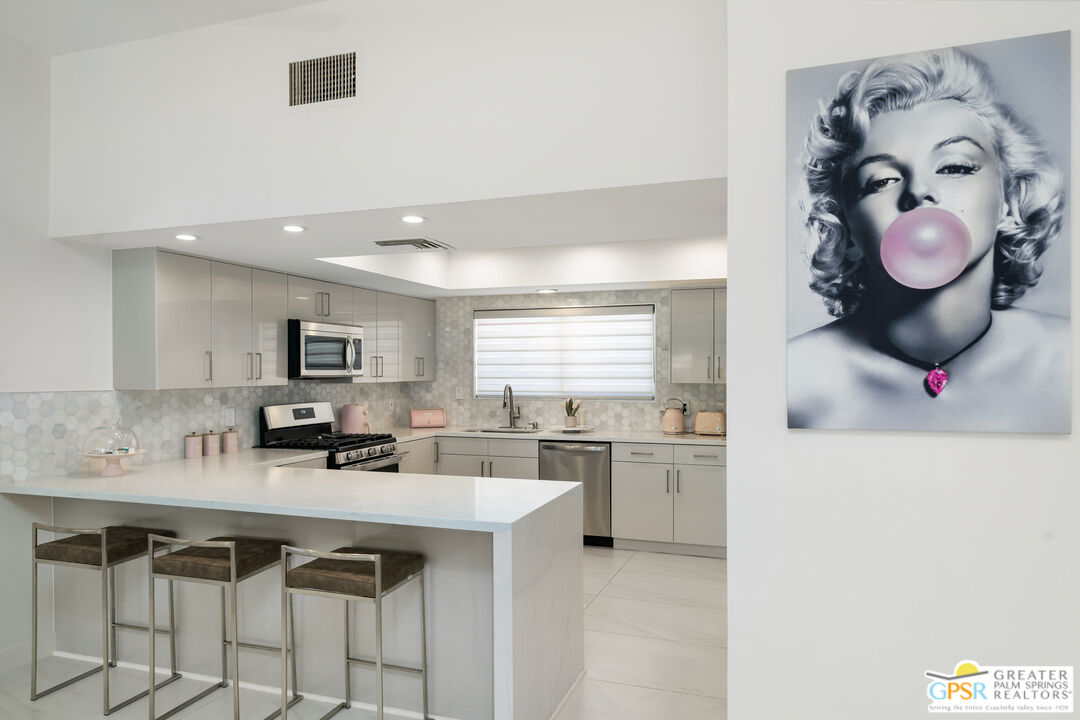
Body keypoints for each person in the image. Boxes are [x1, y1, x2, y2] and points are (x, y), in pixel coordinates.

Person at [788, 48, 1068, 432]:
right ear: (847, 230)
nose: (919, 191)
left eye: (954, 166)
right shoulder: (793, 382)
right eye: (882, 180)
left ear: (1009, 200)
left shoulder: (1069, 360)